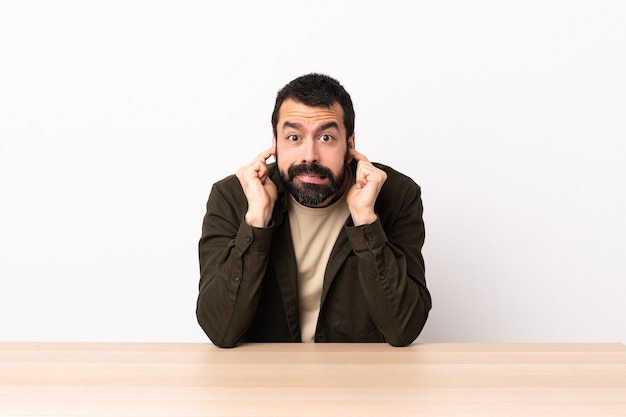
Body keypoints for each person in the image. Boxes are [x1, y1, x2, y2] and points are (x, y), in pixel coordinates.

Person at [196, 73, 431, 348]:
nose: (309, 155)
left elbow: (403, 329)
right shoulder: (233, 197)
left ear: (350, 144)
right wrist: (256, 221)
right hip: (264, 380)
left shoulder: (396, 195)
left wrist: (366, 221)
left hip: (357, 379)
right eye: (294, 137)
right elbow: (220, 331)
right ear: (275, 143)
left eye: (326, 137)